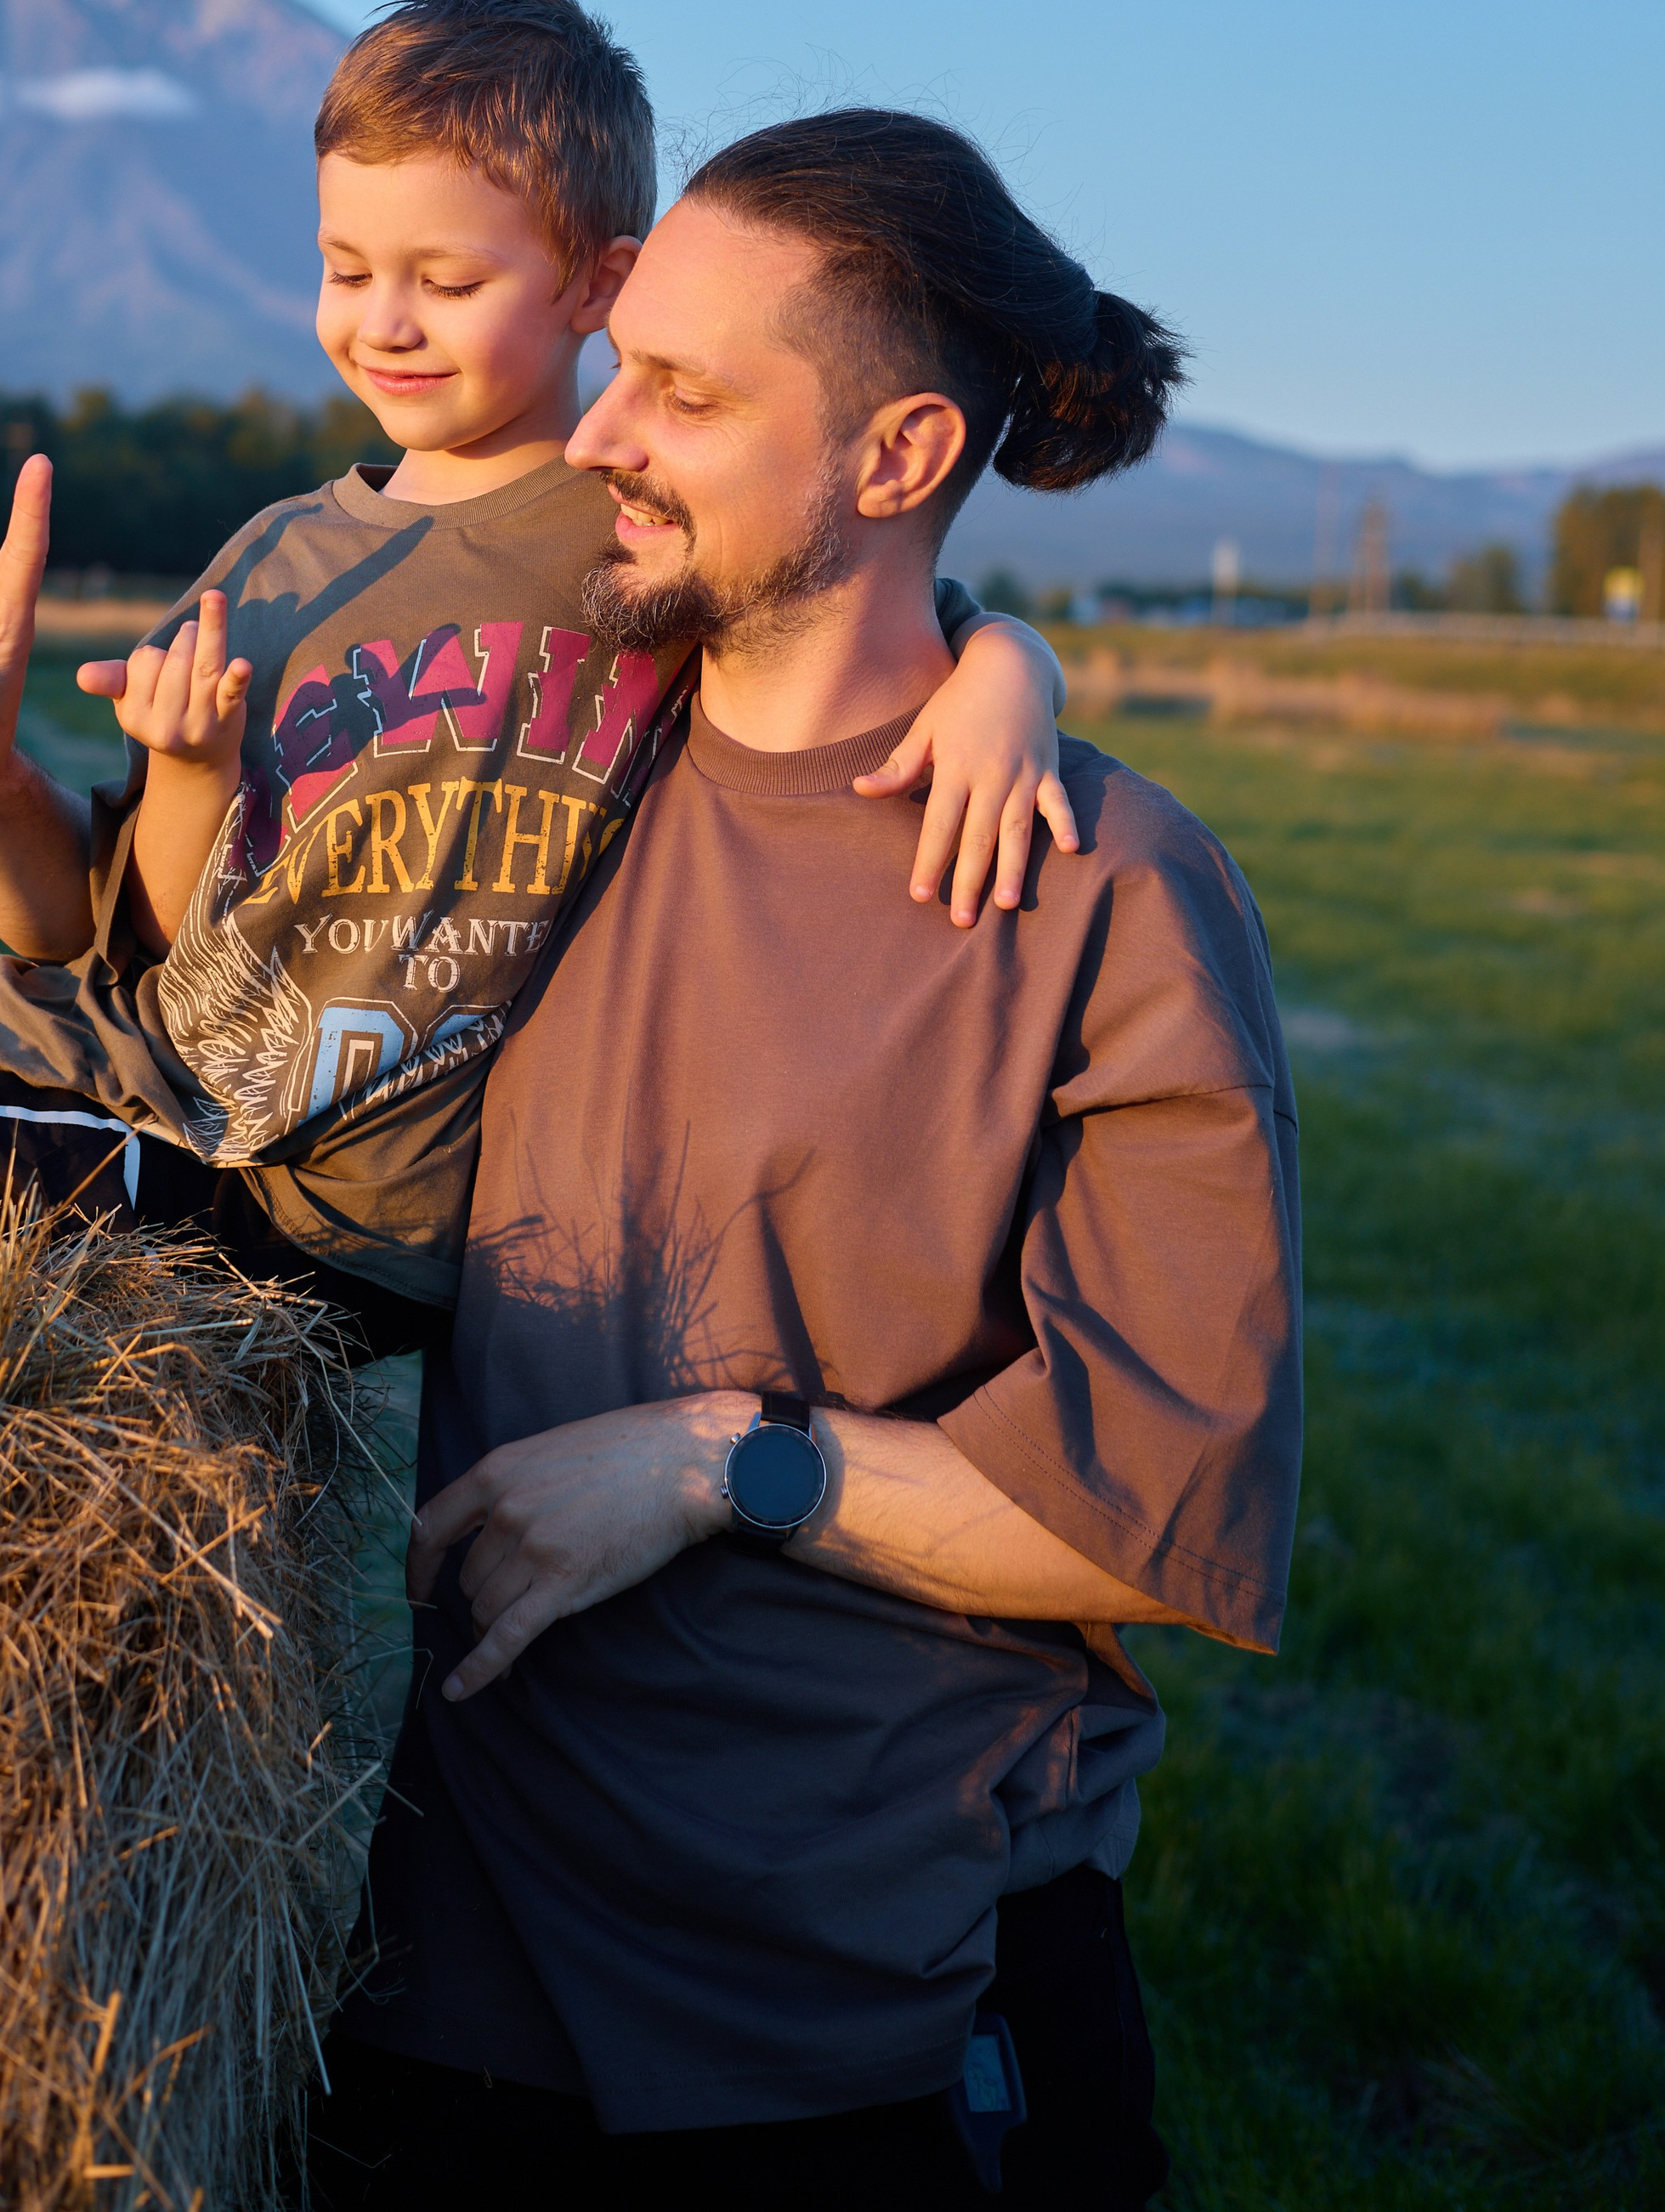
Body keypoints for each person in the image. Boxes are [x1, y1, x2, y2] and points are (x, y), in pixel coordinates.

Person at [307, 109, 1302, 2210]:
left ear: (893, 456)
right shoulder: (526, 771)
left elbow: (1155, 1519)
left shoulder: (1095, 885)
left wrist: (710, 1462)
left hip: (872, 2001)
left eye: (684, 391)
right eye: (618, 364)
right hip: (448, 1977)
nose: (599, 436)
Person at [0, 0, 1071, 1316]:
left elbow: (862, 593)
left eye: (444, 280)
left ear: (596, 286)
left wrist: (1013, 667)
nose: (383, 323)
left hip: (324, 1197)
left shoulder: (635, 528)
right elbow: (109, 932)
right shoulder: (271, 562)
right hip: (148, 1073)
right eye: (344, 267)